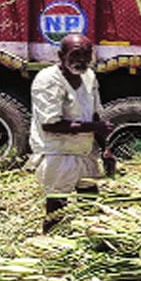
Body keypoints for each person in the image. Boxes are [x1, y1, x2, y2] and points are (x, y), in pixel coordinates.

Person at [28, 34, 115, 232]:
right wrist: (94, 129)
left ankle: (88, 243)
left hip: (84, 151)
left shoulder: (89, 76)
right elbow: (50, 125)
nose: (82, 60)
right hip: (57, 153)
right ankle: (49, 245)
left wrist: (106, 149)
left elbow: (94, 115)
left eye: (86, 55)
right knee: (57, 209)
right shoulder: (48, 80)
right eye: (75, 54)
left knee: (90, 204)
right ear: (61, 55)